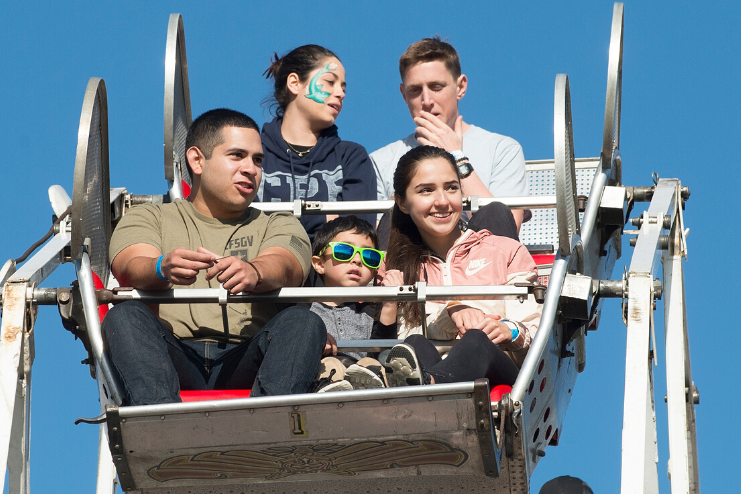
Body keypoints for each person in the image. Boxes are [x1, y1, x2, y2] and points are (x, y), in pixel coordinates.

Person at [102, 109, 328, 406]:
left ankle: (268, 430)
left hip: (247, 357)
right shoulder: (150, 217)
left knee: (304, 322)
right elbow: (129, 266)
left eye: (257, 160)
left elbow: (286, 264)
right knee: (125, 316)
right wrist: (161, 267)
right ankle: (160, 423)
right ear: (197, 160)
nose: (251, 169)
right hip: (173, 354)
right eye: (237, 156)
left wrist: (255, 272)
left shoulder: (279, 223)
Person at [378, 145, 541, 388]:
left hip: (498, 369)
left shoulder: (505, 250)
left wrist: (509, 330)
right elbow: (399, 346)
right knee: (414, 343)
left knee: (476, 340)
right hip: (428, 364)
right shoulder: (395, 266)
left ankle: (432, 384)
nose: (442, 201)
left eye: (451, 188)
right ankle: (429, 384)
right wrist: (451, 312)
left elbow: (537, 328)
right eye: (426, 191)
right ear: (401, 203)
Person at [370, 36, 528, 245]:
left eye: (436, 87)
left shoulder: (503, 149)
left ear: (460, 86)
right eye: (415, 90)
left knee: (495, 211)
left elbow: (504, 230)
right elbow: (376, 243)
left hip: (481, 269)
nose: (426, 101)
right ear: (403, 94)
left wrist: (457, 157)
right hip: (408, 269)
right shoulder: (381, 160)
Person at [258, 44, 377, 238]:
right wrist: (325, 221)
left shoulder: (352, 158)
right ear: (294, 83)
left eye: (343, 87)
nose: (341, 93)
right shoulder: (253, 152)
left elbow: (357, 235)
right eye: (330, 82)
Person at [307, 215, 399, 391]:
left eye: (369, 257)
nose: (357, 260)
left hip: (362, 375)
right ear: (319, 264)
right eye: (344, 251)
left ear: (373, 272)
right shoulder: (305, 310)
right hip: (323, 375)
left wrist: (390, 305)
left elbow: (382, 352)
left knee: (370, 363)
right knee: (329, 364)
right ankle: (331, 389)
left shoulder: (370, 310)